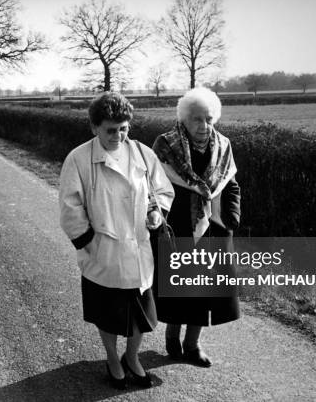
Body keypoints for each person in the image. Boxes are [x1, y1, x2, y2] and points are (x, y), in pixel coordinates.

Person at [59, 92, 174, 389]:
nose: (118, 135)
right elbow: (70, 206)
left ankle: (132, 357)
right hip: (103, 252)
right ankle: (112, 358)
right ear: (94, 127)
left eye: (123, 128)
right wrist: (88, 242)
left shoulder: (142, 153)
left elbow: (162, 191)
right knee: (107, 314)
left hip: (138, 250)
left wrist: (155, 214)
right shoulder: (79, 159)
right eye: (111, 129)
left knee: (141, 313)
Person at [151, 87, 241, 368]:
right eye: (197, 119)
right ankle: (171, 337)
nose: (204, 126)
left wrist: (231, 218)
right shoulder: (165, 146)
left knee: (205, 291)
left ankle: (192, 344)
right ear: (184, 119)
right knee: (179, 288)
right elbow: (152, 186)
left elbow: (232, 185)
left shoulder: (223, 145)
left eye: (209, 119)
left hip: (213, 228)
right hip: (177, 227)